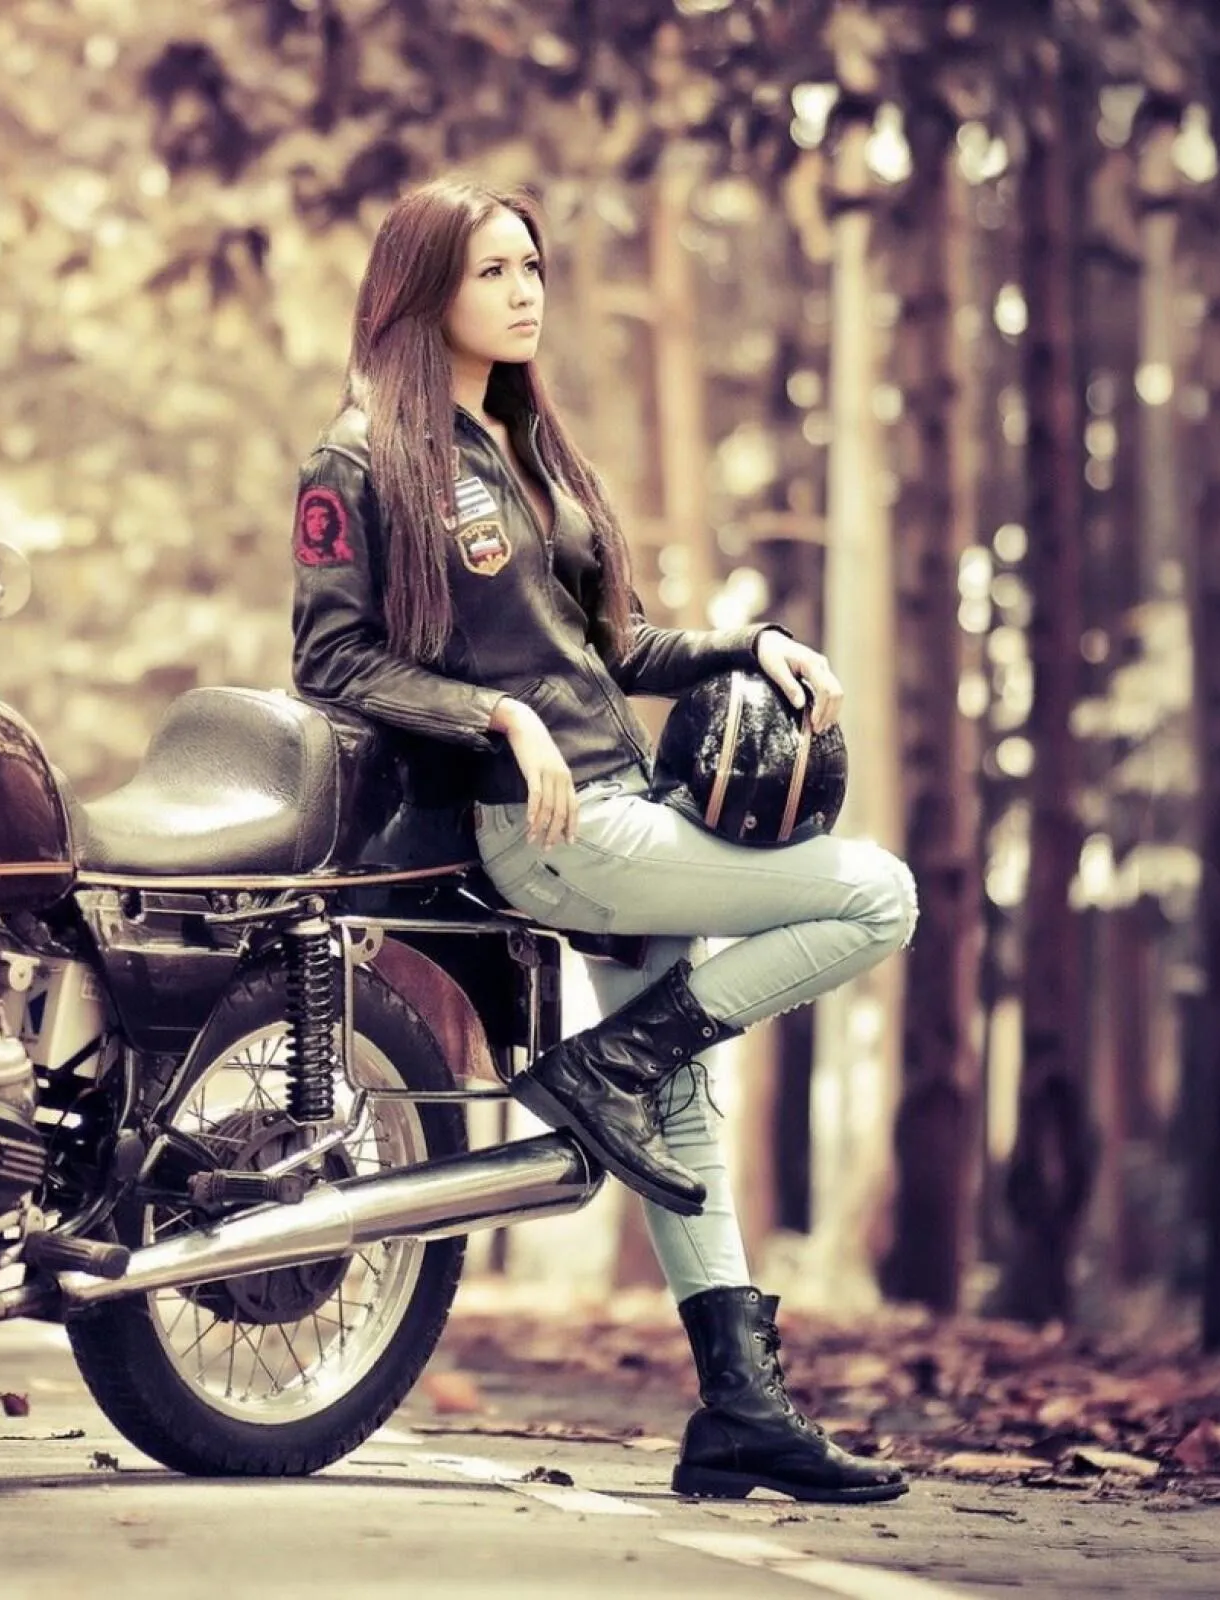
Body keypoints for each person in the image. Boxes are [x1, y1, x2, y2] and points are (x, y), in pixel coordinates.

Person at [289, 176, 916, 1505]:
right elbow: (332, 660)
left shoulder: (531, 449)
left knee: (678, 1103)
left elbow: (611, 648)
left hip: (623, 803)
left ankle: (741, 1412)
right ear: (422, 294)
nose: (526, 292)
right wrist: (495, 716)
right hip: (547, 825)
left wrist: (747, 646)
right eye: (492, 271)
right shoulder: (359, 457)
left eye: (533, 267)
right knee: (879, 895)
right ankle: (606, 1066)